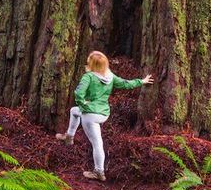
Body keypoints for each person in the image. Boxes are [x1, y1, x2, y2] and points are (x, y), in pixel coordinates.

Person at [55, 51, 153, 181]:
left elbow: (78, 94)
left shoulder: (88, 77)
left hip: (90, 115)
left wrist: (84, 106)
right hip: (103, 113)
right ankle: (69, 136)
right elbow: (125, 84)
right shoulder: (109, 75)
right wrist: (141, 81)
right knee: (74, 110)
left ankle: (99, 172)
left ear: (92, 64)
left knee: (97, 143)